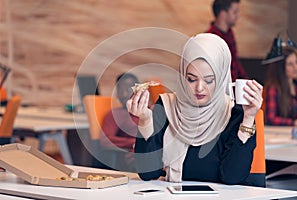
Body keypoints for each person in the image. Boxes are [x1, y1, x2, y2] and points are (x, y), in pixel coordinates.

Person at [127, 33, 263, 186]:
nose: (199, 88)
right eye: (191, 79)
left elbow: (232, 177)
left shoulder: (234, 114)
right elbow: (148, 173)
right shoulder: (166, 106)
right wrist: (145, 121)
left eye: (209, 80)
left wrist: (249, 119)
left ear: (222, 77)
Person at [97, 73, 139, 172]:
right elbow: (105, 141)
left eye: (128, 90)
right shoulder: (114, 114)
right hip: (135, 156)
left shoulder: (151, 111)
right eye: (120, 90)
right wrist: (135, 144)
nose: (124, 94)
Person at [206, 0, 247, 81]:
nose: (238, 15)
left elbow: (235, 63)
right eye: (235, 12)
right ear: (223, 14)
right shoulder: (210, 39)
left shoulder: (229, 34)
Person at [264, 46, 297, 126]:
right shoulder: (273, 88)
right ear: (281, 67)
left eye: (296, 62)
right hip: (280, 133)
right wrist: (294, 123)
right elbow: (271, 119)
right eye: (290, 64)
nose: (296, 67)